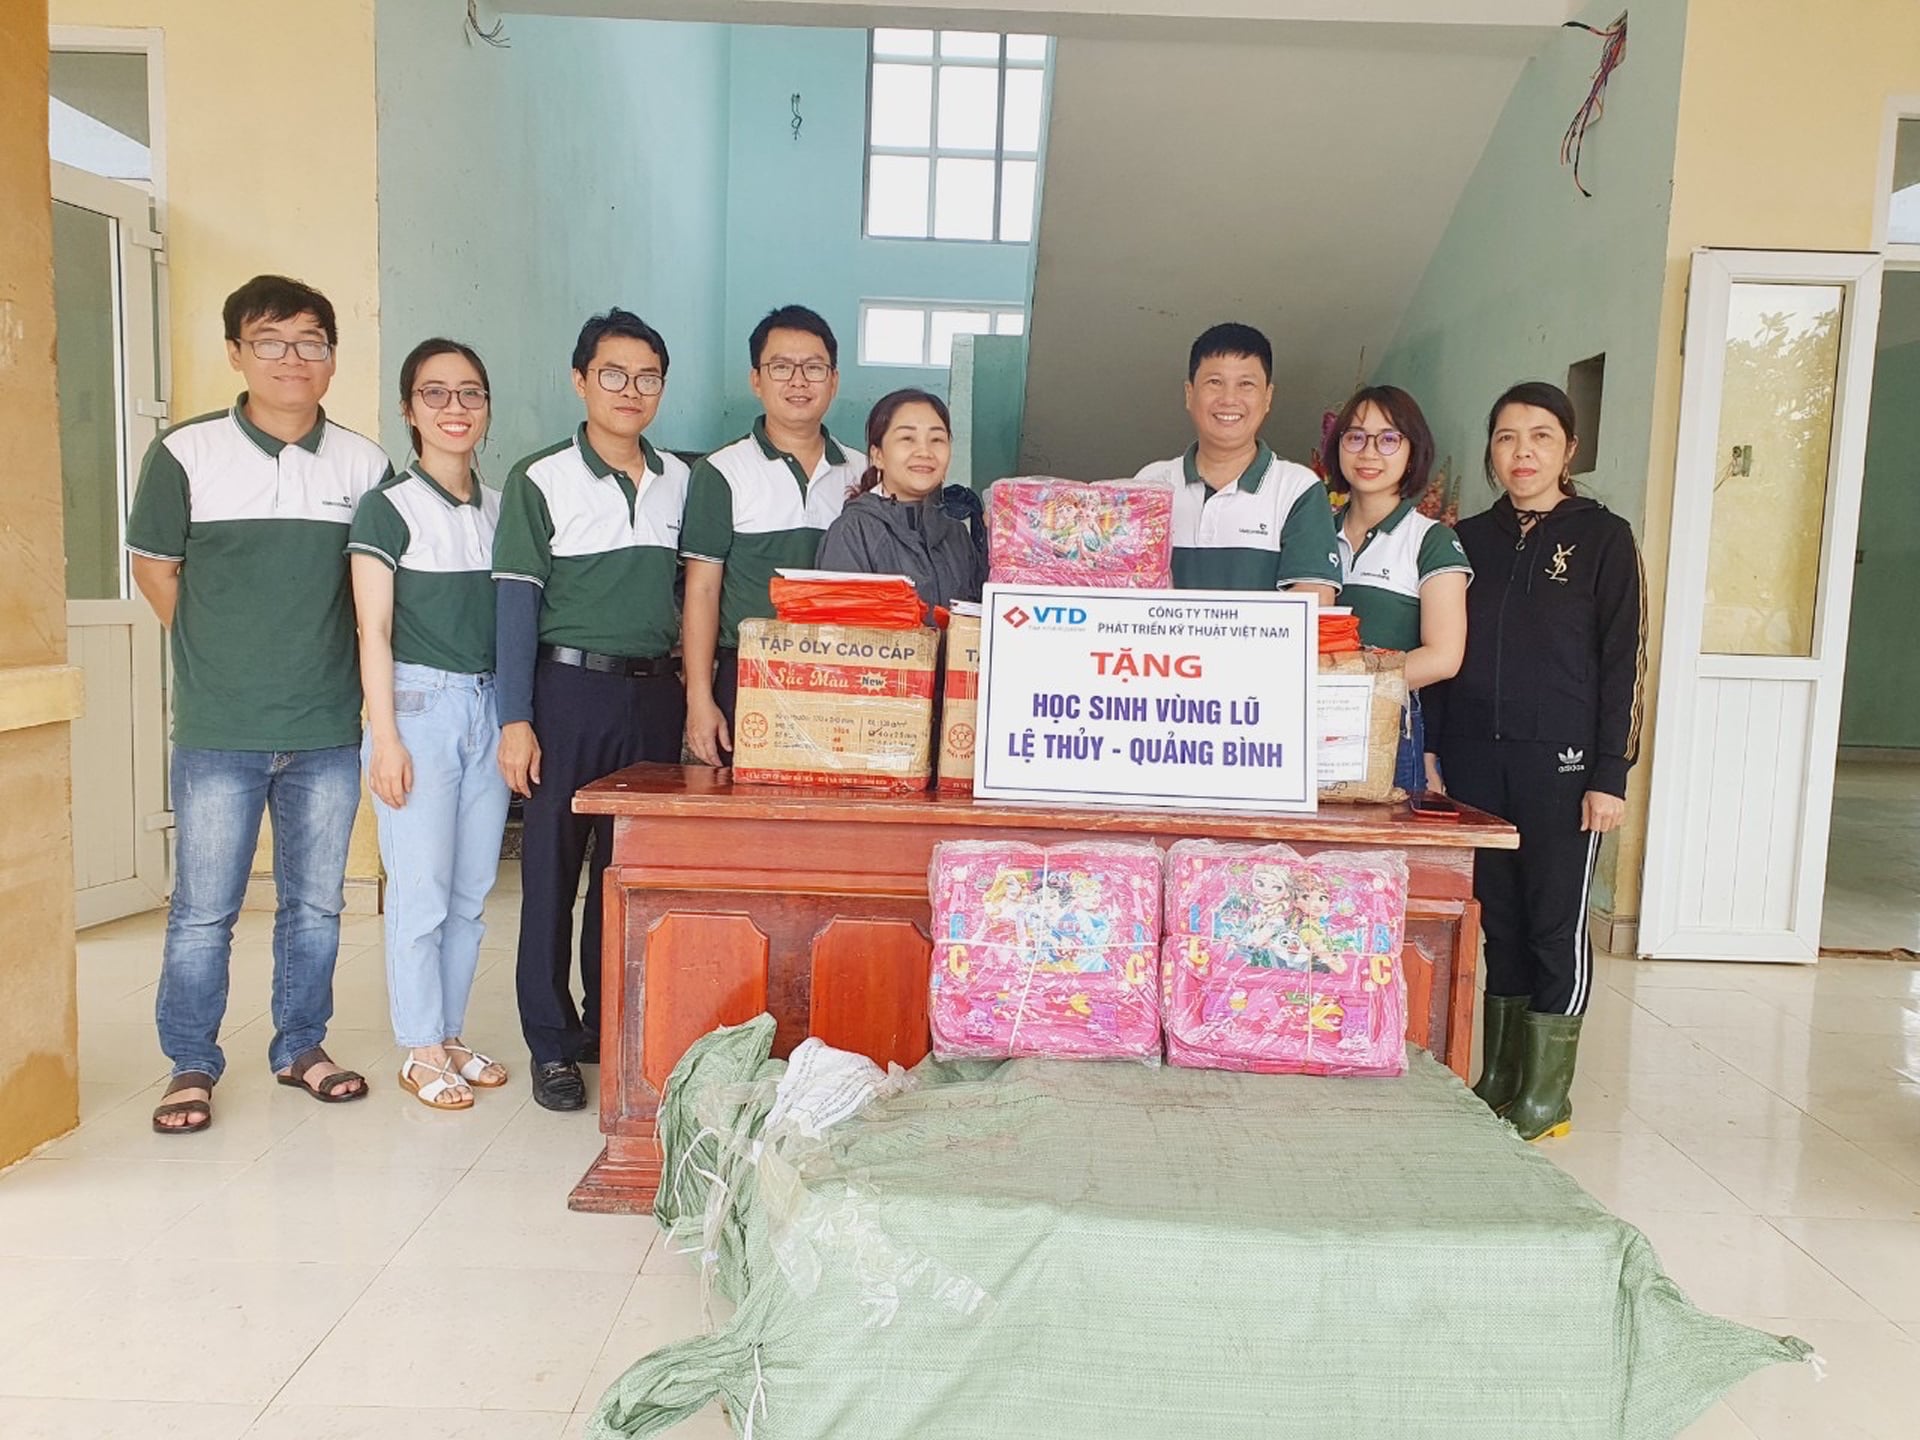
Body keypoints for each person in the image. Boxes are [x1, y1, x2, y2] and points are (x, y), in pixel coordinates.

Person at [127, 274, 389, 1133]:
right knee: (204, 911)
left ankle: (301, 1045)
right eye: (270, 341)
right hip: (220, 728)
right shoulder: (185, 454)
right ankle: (191, 1062)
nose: (292, 359)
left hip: (325, 726)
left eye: (311, 342)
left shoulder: (364, 465)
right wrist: (223, 656)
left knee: (316, 905)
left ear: (332, 357)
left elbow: (373, 594)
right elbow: (156, 570)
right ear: (237, 353)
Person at [1424, 380, 1646, 1142]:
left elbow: (1623, 662)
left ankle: (1550, 1097)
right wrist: (1434, 747)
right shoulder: (1466, 539)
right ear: (1491, 450)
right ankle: (1504, 1076)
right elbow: (1444, 651)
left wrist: (1610, 774)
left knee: (1555, 926)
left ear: (1569, 449)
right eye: (1507, 437)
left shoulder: (1604, 538)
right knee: (1502, 924)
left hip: (1564, 765)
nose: (1523, 452)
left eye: (1541, 436)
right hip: (1476, 763)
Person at [491, 310, 690, 1112]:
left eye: (647, 377)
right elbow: (514, 607)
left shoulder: (681, 481)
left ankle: (609, 1026)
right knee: (551, 870)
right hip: (567, 694)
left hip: (655, 697)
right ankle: (551, 1042)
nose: (629, 390)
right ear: (580, 381)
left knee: (627, 872)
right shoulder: (538, 479)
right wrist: (515, 718)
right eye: (613, 374)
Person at [348, 339, 511, 1111]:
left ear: (486, 408)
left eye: (470, 392)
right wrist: (385, 738)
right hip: (418, 707)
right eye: (435, 393)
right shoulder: (388, 507)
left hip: (487, 706)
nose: (455, 407)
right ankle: (419, 1049)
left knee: (472, 891)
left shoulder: (500, 507)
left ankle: (448, 1034)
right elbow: (372, 631)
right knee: (421, 891)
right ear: (409, 409)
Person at [681, 305, 863, 765]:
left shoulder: (864, 472)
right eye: (781, 367)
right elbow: (702, 590)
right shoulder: (721, 472)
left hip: (842, 675)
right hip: (748, 676)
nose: (798, 381)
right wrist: (699, 699)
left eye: (814, 368)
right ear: (756, 380)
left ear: (834, 381)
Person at [1326, 385, 1472, 793]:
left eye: (1388, 439)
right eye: (1355, 437)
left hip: (1387, 730)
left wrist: (1349, 685)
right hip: (1309, 727)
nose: (1369, 453)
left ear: (1413, 452)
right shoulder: (1312, 534)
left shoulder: (1430, 540)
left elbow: (1444, 657)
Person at [1132, 322, 1341, 604]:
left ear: (1267, 398)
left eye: (1246, 385)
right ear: (1189, 394)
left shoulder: (1297, 488)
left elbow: (1315, 599)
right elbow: (1123, 586)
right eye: (1214, 382)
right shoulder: (1151, 484)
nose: (1229, 399)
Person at [815, 388, 985, 615]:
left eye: (937, 439)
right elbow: (844, 628)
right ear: (878, 456)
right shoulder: (853, 532)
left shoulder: (957, 534)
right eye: (907, 438)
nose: (925, 452)